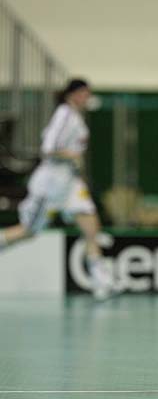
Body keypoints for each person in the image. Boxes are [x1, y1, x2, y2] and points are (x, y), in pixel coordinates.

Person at [0, 78, 115, 300]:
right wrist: (72, 155)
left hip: (70, 182)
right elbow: (49, 147)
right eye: (83, 93)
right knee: (28, 231)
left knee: (91, 223)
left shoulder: (76, 117)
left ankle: (101, 280)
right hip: (50, 183)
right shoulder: (64, 114)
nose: (87, 97)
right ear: (72, 94)